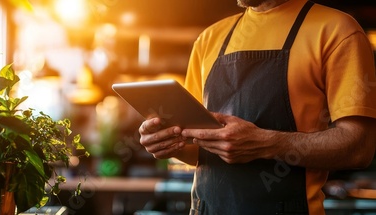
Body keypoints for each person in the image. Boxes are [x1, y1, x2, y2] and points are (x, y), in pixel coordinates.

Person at [138, 0, 376, 214]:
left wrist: (265, 144)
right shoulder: (209, 38)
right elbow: (196, 147)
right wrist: (169, 142)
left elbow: (359, 147)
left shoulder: (337, 29)